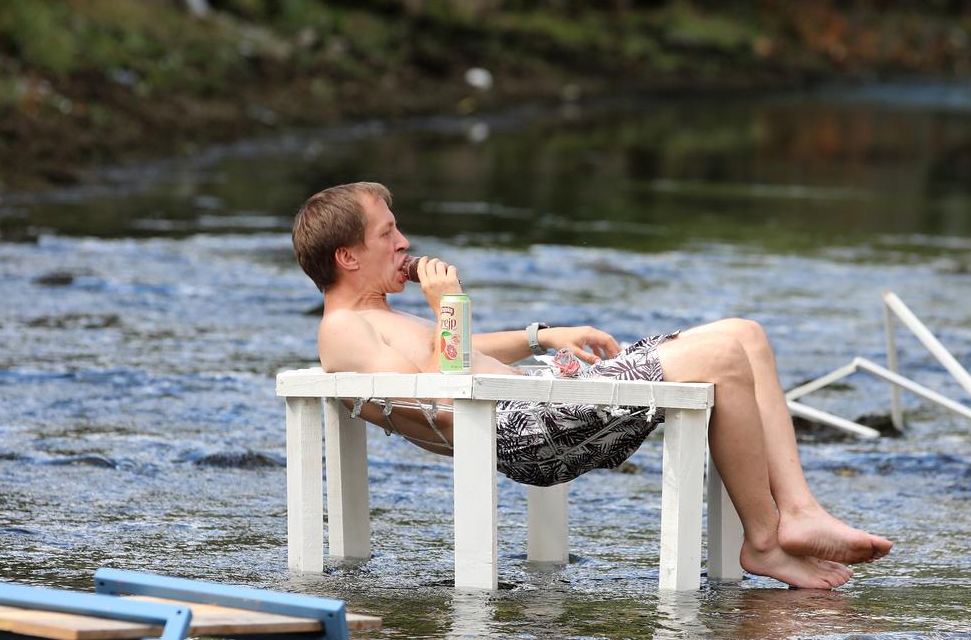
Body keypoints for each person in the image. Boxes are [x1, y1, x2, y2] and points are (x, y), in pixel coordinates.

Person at [290, 181, 892, 589]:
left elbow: (453, 357)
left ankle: (799, 509)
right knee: (725, 355)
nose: (404, 243)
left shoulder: (381, 318)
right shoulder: (343, 332)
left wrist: (540, 335)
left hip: (543, 398)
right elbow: (442, 398)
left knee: (747, 334)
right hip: (525, 431)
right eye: (387, 234)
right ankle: (764, 539)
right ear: (348, 257)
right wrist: (450, 307)